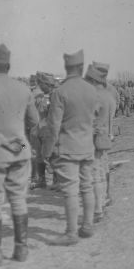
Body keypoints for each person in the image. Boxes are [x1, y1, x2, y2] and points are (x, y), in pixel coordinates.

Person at [0, 44, 39, 266]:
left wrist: (1, 140)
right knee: (18, 199)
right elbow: (35, 121)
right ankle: (21, 249)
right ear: (8, 65)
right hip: (20, 150)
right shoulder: (24, 89)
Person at [41, 49, 100, 245]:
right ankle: (88, 226)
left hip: (67, 148)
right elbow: (94, 117)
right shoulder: (92, 90)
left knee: (70, 191)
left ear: (66, 67)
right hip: (87, 146)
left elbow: (53, 126)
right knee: (87, 187)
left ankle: (71, 233)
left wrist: (46, 152)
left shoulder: (60, 92)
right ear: (81, 67)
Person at [84, 65, 114, 222]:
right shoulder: (108, 95)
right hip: (104, 138)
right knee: (102, 173)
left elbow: (88, 120)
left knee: (94, 175)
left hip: (93, 139)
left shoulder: (94, 97)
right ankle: (101, 203)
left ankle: (97, 210)